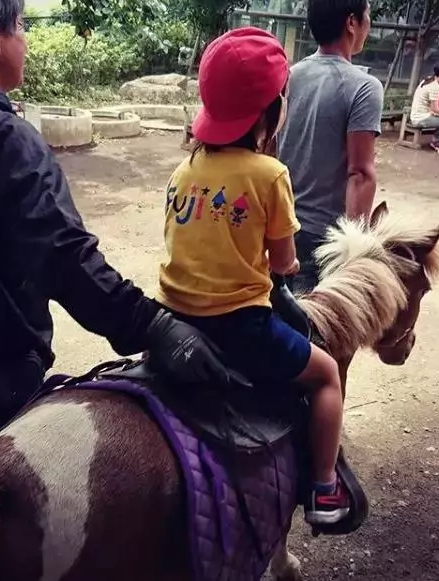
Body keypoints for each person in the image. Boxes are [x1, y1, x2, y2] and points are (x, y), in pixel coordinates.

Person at [0, 0, 242, 458]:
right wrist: (154, 326)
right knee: (20, 473)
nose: (25, 40)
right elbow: (64, 257)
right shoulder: (3, 138)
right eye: (20, 25)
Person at [157, 27, 349, 526]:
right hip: (238, 325)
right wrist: (283, 266)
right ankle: (324, 490)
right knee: (327, 374)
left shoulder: (184, 170)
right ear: (272, 109)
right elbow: (284, 261)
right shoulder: (270, 174)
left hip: (171, 320)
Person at [277, 0, 383, 294]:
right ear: (351, 23)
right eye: (368, 16)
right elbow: (360, 174)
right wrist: (353, 255)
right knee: (320, 321)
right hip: (324, 240)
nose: (369, 24)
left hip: (278, 227)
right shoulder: (364, 87)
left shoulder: (288, 76)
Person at [409, 63, 439, 155]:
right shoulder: (435, 86)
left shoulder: (428, 79)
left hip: (418, 115)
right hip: (421, 118)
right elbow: (435, 109)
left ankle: (437, 142)